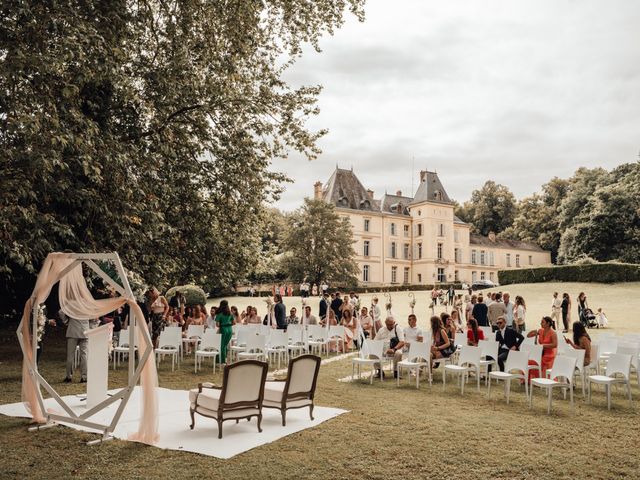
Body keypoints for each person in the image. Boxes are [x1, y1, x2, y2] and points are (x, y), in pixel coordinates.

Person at [60, 310, 90, 383]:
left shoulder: (73, 303)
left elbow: (61, 312)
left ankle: (68, 377)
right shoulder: (87, 305)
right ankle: (84, 377)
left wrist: (66, 321)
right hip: (85, 331)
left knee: (70, 355)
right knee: (84, 355)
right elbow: (94, 316)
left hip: (73, 330)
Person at [215, 300, 235, 364]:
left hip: (223, 329)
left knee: (221, 345)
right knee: (225, 345)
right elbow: (234, 323)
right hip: (230, 330)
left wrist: (223, 324)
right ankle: (224, 359)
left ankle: (221, 360)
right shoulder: (230, 313)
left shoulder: (220, 314)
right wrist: (228, 324)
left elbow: (217, 324)